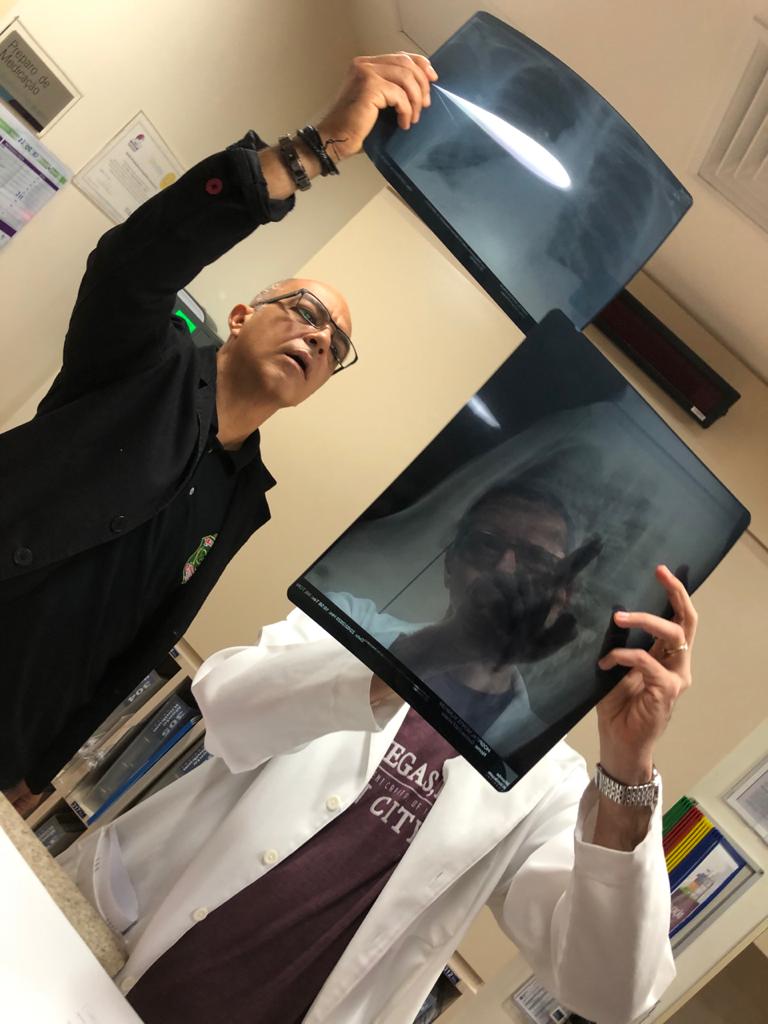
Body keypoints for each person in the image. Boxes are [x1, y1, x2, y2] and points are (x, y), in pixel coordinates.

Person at [0, 53, 438, 812]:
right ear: (240, 318)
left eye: (335, 346)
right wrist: (311, 151)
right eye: (306, 312)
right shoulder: (143, 362)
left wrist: (42, 771)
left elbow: (143, 644)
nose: (318, 338)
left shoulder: (243, 502)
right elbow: (129, 266)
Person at [62, 564, 696, 1024]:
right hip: (109, 961)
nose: (510, 573)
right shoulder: (353, 622)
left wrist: (628, 768)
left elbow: (610, 995)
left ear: (565, 600)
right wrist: (424, 654)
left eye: (538, 564)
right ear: (455, 562)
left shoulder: (546, 781)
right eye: (493, 546)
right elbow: (225, 705)